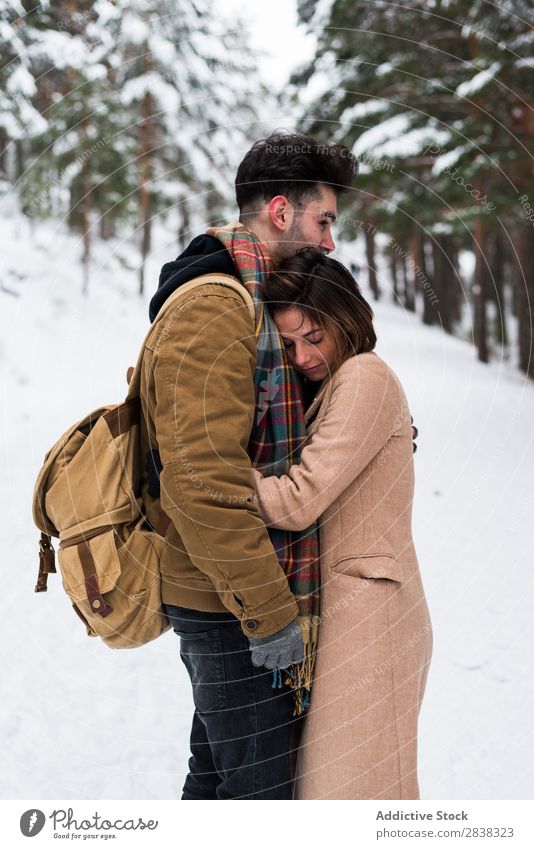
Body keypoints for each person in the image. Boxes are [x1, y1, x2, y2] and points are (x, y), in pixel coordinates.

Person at [140, 132, 357, 799]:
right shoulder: (215, 307)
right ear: (284, 213)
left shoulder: (252, 300)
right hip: (230, 601)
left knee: (217, 783)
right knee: (261, 798)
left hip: (233, 589)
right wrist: (271, 616)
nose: (328, 241)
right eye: (324, 220)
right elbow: (202, 483)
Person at [251, 249, 433, 800]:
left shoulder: (364, 376)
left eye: (315, 336)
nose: (304, 355)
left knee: (358, 797)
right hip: (352, 617)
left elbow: (297, 500)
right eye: (290, 344)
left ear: (346, 319)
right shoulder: (331, 385)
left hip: (374, 620)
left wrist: (210, 470)